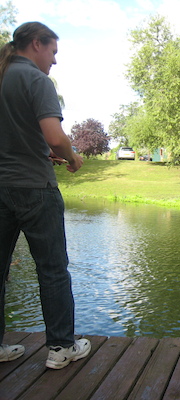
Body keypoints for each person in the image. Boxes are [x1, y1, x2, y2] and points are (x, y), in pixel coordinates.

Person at [0, 22, 91, 368]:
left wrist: (41, 152)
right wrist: (70, 156)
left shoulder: (2, 76)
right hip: (35, 189)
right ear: (36, 44)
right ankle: (61, 348)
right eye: (53, 52)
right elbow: (55, 136)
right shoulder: (37, 81)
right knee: (53, 270)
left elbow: (18, 136)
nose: (54, 61)